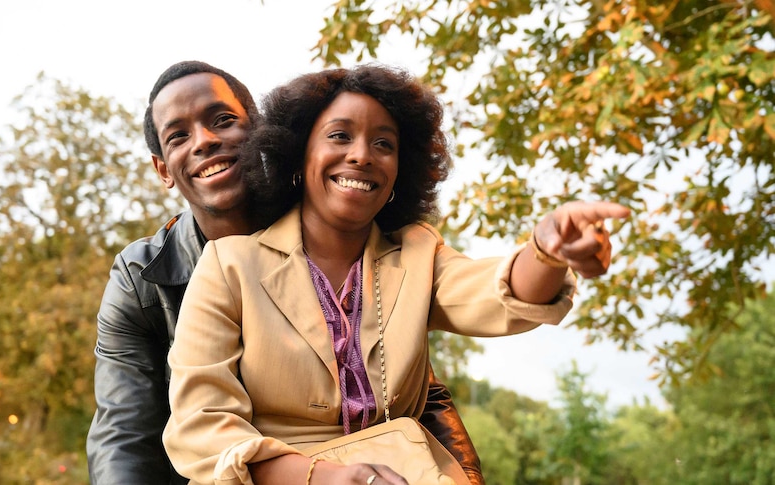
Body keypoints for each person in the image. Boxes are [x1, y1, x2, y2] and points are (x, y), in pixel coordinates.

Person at [162, 64, 631, 484]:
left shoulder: (417, 252)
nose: (362, 155)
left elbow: (493, 293)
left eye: (383, 144)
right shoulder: (229, 265)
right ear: (297, 157)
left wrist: (546, 250)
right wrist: (325, 478)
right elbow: (201, 425)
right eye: (340, 136)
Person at [85, 61, 485, 484]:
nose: (204, 141)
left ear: (260, 130)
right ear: (163, 167)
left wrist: (464, 476)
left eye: (223, 120)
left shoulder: (335, 226)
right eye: (179, 136)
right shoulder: (138, 279)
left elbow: (414, 383)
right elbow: (124, 432)